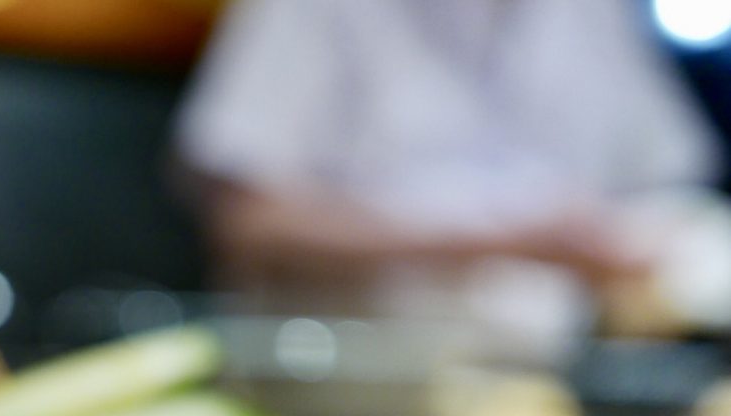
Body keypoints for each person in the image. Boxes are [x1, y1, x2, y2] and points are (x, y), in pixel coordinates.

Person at [174, 0, 726, 362]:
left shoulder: (588, 15)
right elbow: (249, 221)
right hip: (342, 389)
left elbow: (668, 187)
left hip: (542, 401)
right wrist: (500, 237)